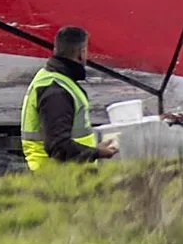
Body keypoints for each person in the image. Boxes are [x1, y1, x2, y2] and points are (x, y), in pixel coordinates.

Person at [20, 26, 118, 171]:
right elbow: (58, 146)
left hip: (65, 175)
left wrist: (95, 151)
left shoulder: (53, 79)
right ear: (81, 52)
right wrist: (97, 153)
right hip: (57, 179)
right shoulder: (56, 89)